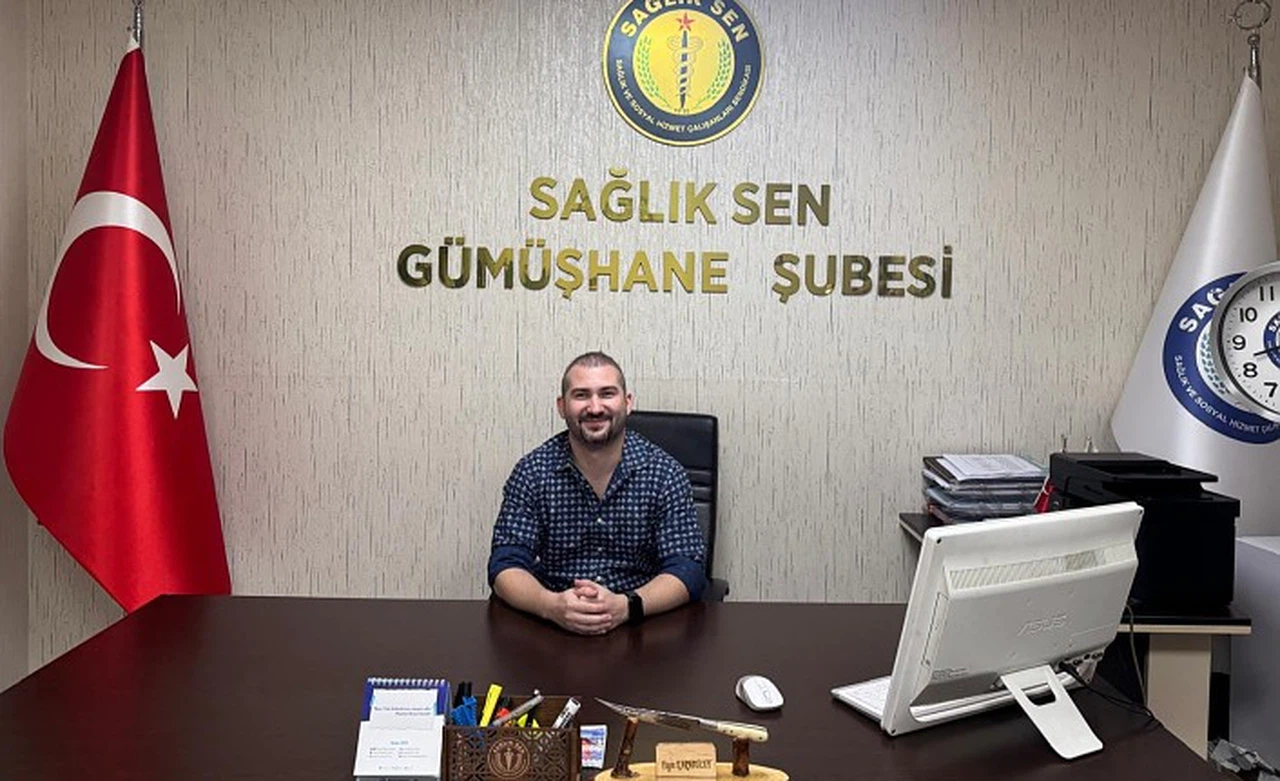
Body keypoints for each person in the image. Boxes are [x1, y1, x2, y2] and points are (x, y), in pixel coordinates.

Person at [488, 352, 707, 635]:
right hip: (552, 626)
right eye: (581, 395)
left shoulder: (664, 473)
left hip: (642, 625)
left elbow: (688, 567)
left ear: (627, 402)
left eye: (607, 394)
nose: (594, 407)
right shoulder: (532, 472)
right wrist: (551, 606)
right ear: (562, 406)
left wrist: (627, 606)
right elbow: (505, 562)